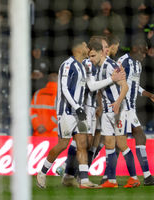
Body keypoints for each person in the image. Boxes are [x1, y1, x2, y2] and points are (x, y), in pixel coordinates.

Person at [57, 35, 125, 186]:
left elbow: (100, 89)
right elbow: (92, 86)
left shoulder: (105, 64)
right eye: (105, 46)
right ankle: (68, 170)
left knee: (95, 142)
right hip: (86, 107)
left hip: (97, 108)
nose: (107, 49)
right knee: (85, 141)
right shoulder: (88, 63)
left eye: (107, 46)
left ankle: (81, 173)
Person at [36, 38, 99, 189]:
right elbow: (64, 88)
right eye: (85, 45)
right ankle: (42, 172)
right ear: (77, 48)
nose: (87, 47)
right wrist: (77, 107)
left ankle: (84, 181)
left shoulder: (83, 67)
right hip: (67, 112)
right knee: (63, 144)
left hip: (80, 112)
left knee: (82, 144)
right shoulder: (67, 64)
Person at [88, 39, 140, 188]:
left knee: (122, 144)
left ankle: (134, 178)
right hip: (106, 112)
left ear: (99, 53)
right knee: (109, 145)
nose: (91, 59)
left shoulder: (112, 65)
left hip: (118, 111)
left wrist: (117, 103)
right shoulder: (97, 68)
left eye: (92, 56)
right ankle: (111, 180)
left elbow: (125, 87)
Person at [116, 38, 154, 186]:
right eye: (143, 51)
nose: (145, 55)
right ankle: (77, 170)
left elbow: (133, 85)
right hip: (121, 108)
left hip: (130, 108)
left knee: (135, 138)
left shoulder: (137, 64)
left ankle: (146, 176)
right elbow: (115, 83)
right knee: (109, 142)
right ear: (135, 48)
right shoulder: (122, 62)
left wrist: (148, 94)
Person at [30, 73, 58, 137]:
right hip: (53, 136)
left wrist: (38, 126)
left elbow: (32, 112)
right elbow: (59, 115)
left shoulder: (37, 93)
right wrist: (46, 127)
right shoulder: (60, 95)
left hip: (38, 135)